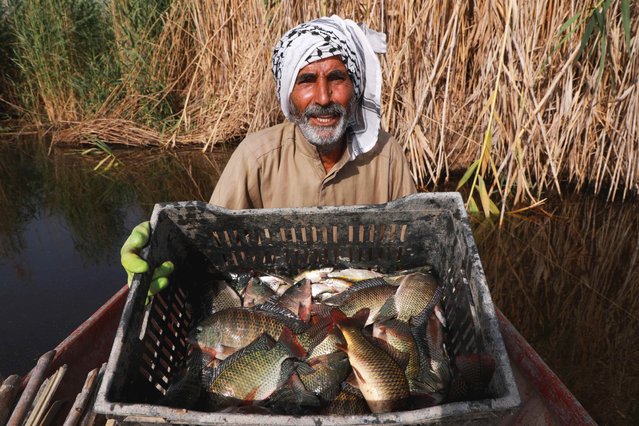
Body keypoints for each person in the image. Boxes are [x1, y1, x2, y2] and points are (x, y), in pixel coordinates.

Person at [120, 15, 417, 296]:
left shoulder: (385, 155)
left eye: (337, 78)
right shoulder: (256, 157)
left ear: (354, 87)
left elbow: (414, 254)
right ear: (288, 92)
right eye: (307, 80)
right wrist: (161, 247)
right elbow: (207, 247)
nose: (324, 98)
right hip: (280, 302)